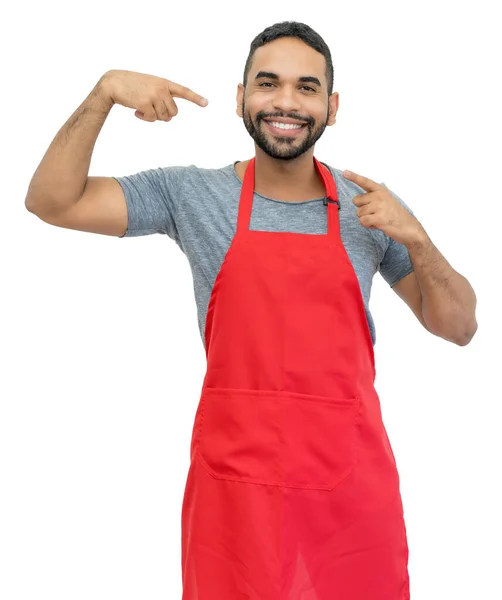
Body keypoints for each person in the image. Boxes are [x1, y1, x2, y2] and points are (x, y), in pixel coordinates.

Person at [25, 20, 477, 600]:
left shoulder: (371, 210)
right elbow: (51, 201)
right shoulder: (189, 194)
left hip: (349, 499)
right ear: (241, 98)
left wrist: (418, 239)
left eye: (307, 87)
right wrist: (104, 92)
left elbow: (460, 326)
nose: (286, 101)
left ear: (331, 107)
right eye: (268, 83)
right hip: (234, 497)